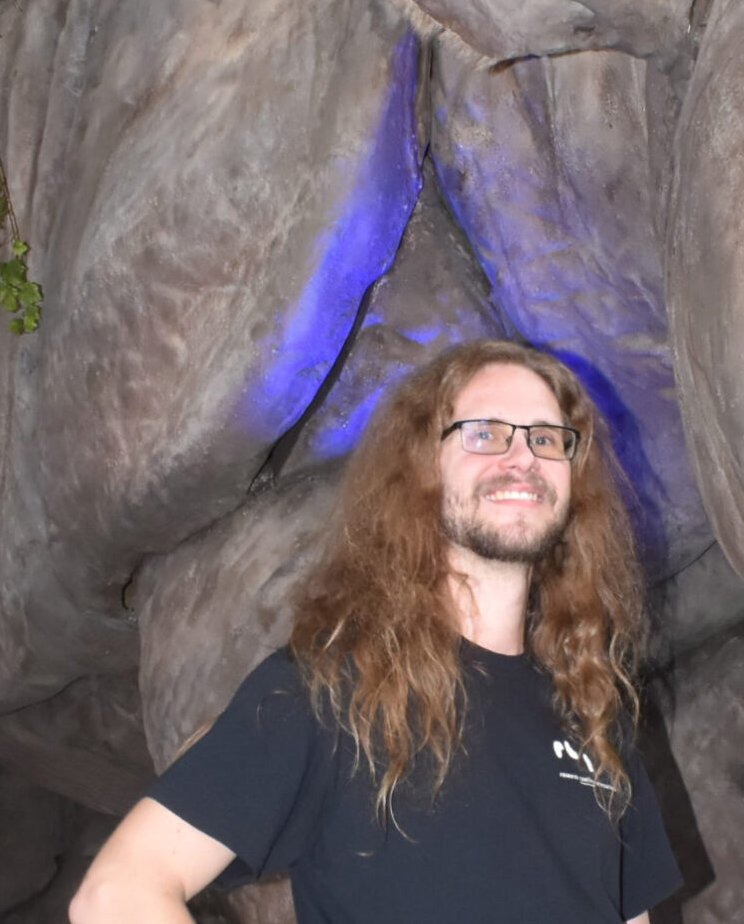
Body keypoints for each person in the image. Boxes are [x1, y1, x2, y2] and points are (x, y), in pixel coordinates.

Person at [69, 340, 681, 924]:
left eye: (546, 439)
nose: (522, 457)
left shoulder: (595, 711)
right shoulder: (330, 692)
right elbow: (118, 893)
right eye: (486, 433)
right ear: (423, 468)